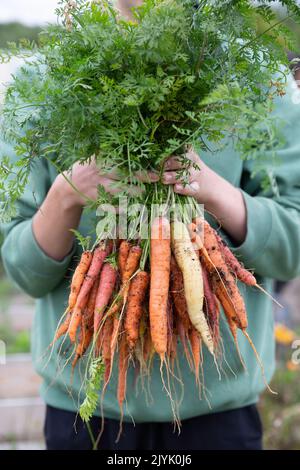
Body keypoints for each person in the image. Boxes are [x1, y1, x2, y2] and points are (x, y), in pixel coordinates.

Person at [1, 0, 300, 450]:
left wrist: (211, 188)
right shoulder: (43, 83)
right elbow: (23, 271)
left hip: (221, 414)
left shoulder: (252, 75)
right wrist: (67, 192)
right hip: (83, 412)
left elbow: (292, 246)